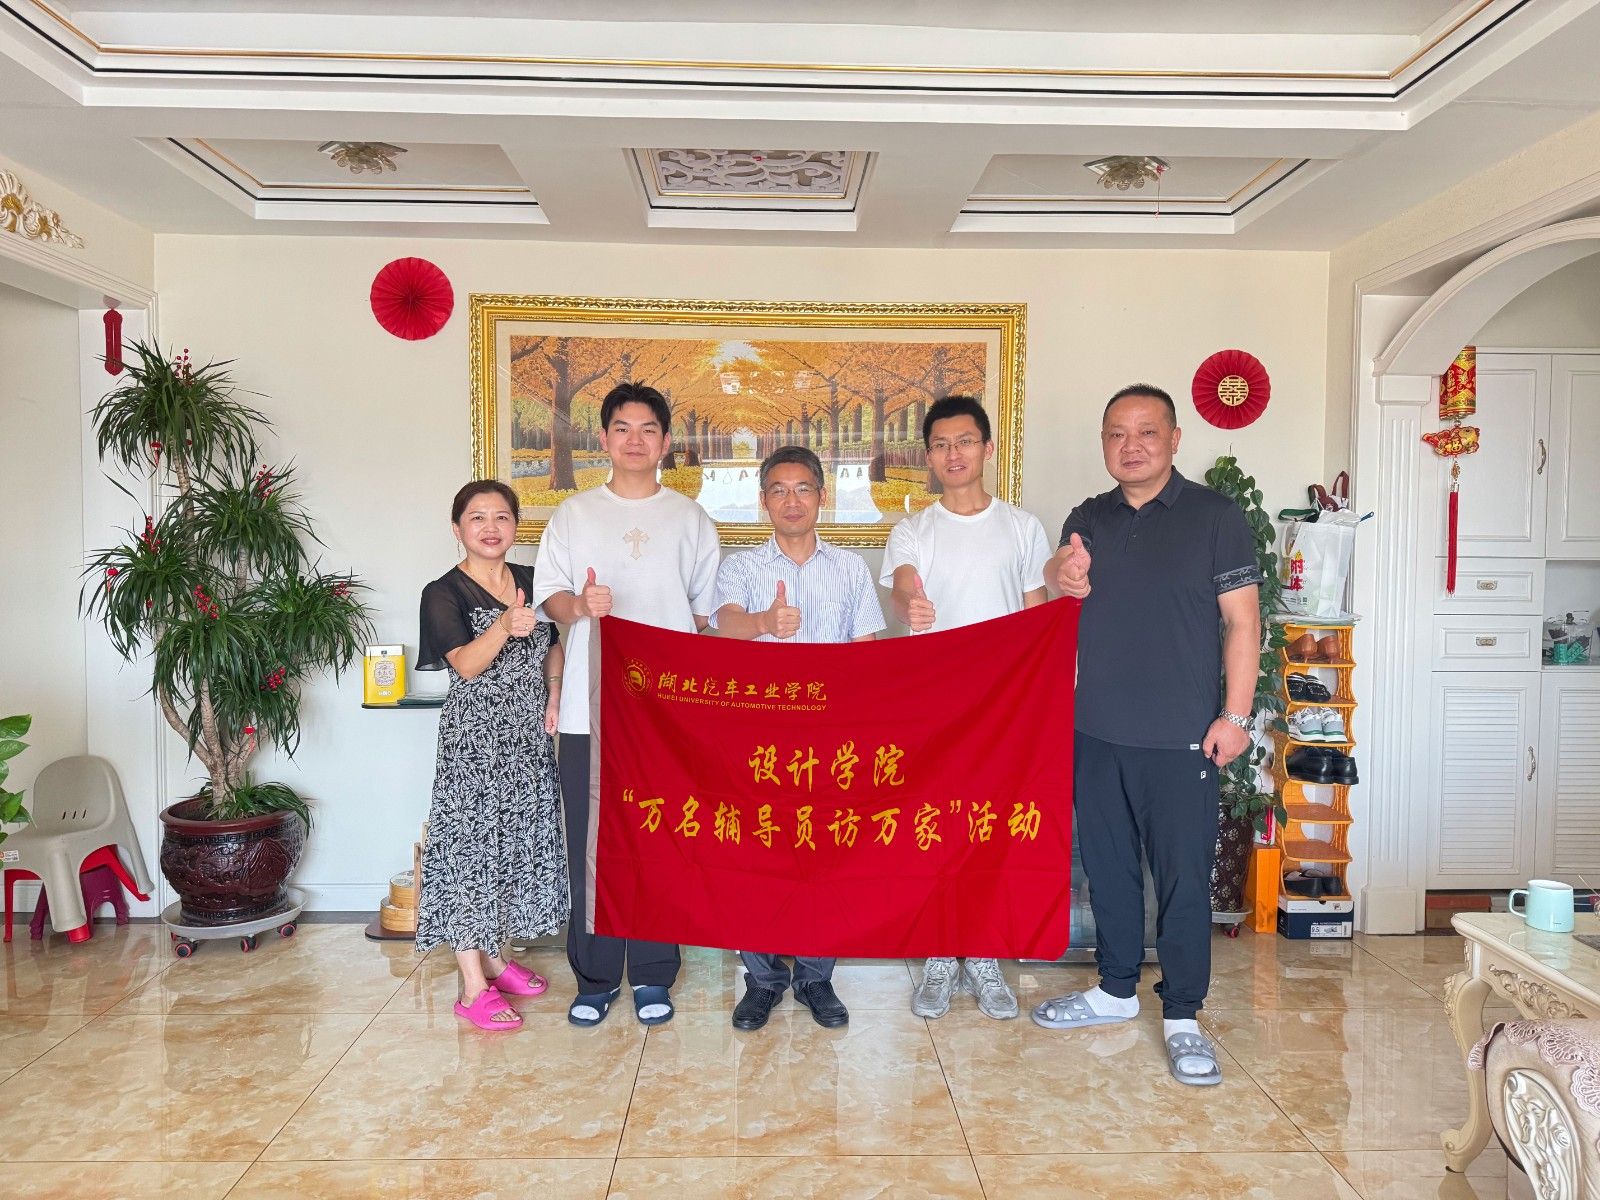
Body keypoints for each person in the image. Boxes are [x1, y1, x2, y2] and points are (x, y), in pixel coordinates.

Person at [1034, 384, 1261, 1088]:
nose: (1130, 446)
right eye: (1116, 434)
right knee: (1108, 870)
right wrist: (1062, 574)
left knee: (1184, 879)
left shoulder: (1215, 517)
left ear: (1174, 439)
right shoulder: (1089, 516)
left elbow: (1243, 622)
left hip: (1183, 736)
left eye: (1146, 432)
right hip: (1096, 729)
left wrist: (1236, 718)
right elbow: (1058, 579)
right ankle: (1114, 989)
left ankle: (1183, 1015)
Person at [532, 381, 720, 1029]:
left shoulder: (691, 520)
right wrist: (580, 606)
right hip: (590, 710)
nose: (635, 440)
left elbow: (702, 615)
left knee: (661, 842)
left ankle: (652, 972)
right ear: (604, 438)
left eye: (648, 429)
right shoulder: (574, 515)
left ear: (665, 442)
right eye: (622, 428)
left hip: (667, 715)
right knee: (591, 842)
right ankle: (595, 975)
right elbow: (550, 599)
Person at [881, 394, 1053, 1021]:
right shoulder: (914, 529)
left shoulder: (1021, 527)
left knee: (989, 830)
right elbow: (903, 585)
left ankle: (983, 955)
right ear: (928, 457)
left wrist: (1040, 693)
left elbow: (1037, 615)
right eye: (941, 445)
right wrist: (911, 604)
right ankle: (938, 954)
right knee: (935, 830)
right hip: (935, 707)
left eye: (965, 442)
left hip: (1003, 708)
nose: (953, 454)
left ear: (986, 448)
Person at [708, 445, 885, 1032]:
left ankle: (815, 978)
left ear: (821, 496)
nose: (791, 500)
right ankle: (761, 981)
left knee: (824, 860)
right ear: (763, 501)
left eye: (803, 488)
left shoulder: (850, 569)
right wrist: (764, 622)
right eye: (779, 490)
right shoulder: (741, 567)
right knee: (756, 858)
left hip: (830, 738)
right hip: (759, 735)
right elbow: (724, 625)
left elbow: (865, 652)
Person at [414, 480, 568, 1032]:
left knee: (509, 848)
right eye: (477, 517)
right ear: (457, 528)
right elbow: (465, 664)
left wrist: (554, 693)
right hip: (474, 745)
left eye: (501, 516)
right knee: (469, 853)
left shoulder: (530, 579)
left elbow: (553, 646)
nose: (490, 527)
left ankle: (497, 961)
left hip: (527, 739)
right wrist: (503, 625)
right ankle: (472, 986)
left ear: (516, 526)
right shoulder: (443, 592)